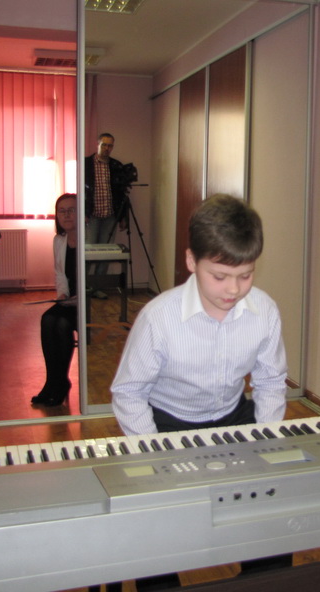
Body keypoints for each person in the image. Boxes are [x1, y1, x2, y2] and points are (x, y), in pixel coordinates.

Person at [111, 194, 288, 436]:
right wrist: (153, 447)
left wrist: (267, 437)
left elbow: (271, 382)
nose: (234, 289)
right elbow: (129, 392)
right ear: (192, 261)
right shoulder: (158, 318)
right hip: (169, 421)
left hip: (234, 414)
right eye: (219, 276)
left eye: (245, 275)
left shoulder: (265, 310)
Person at [31, 193, 79, 408]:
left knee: (61, 324)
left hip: (88, 303)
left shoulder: (90, 240)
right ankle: (53, 382)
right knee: (47, 319)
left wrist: (79, 299)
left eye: (72, 210)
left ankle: (60, 383)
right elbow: (60, 274)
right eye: (62, 211)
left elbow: (98, 279)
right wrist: (62, 295)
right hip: (70, 300)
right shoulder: (59, 241)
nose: (66, 215)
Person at [84, 132, 131, 300]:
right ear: (97, 144)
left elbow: (121, 193)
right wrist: (83, 213)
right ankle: (83, 286)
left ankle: (97, 287)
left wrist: (123, 217)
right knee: (88, 251)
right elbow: (81, 190)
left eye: (110, 145)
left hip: (110, 216)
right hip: (92, 216)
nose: (107, 148)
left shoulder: (116, 166)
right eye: (104, 145)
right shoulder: (86, 164)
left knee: (105, 252)